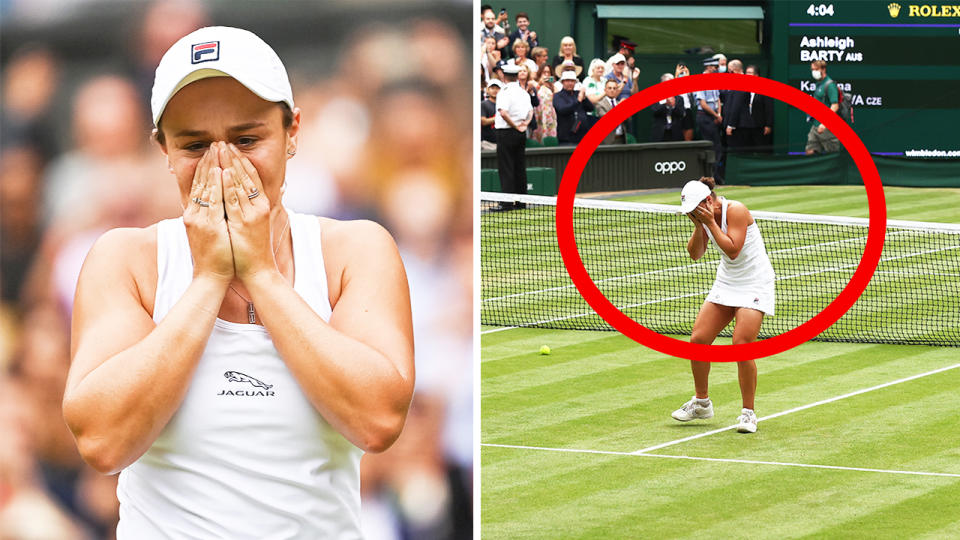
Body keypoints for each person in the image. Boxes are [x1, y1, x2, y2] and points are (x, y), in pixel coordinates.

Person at [62, 26, 415, 538]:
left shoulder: (355, 250)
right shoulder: (125, 259)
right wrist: (208, 279)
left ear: (292, 133)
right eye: (195, 145)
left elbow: (379, 420)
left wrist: (260, 273)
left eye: (247, 139)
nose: (223, 165)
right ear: (163, 149)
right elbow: (101, 442)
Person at [671, 177, 775, 434]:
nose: (693, 213)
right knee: (699, 339)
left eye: (696, 209)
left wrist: (708, 223)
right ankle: (702, 403)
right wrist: (700, 226)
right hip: (727, 282)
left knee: (741, 344)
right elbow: (695, 254)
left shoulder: (736, 210)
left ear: (708, 201)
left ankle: (748, 414)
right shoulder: (702, 217)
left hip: (754, 283)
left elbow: (732, 250)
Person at [495, 64, 533, 207]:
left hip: (506, 132)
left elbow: (503, 112)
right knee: (519, 166)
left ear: (504, 76)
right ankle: (521, 202)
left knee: (507, 167)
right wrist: (524, 125)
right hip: (520, 133)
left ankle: (507, 203)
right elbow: (530, 112)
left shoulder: (504, 92)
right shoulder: (523, 92)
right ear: (517, 76)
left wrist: (515, 125)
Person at [696, 57, 723, 181]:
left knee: (717, 148)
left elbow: (717, 99)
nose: (716, 69)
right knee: (711, 147)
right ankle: (709, 176)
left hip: (714, 117)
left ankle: (714, 175)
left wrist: (719, 114)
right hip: (705, 117)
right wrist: (716, 115)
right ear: (708, 67)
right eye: (715, 67)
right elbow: (703, 103)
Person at [805, 60, 840, 155]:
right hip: (815, 125)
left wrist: (824, 123)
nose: (813, 72)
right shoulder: (818, 84)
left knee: (833, 155)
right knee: (810, 151)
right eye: (812, 69)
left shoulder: (830, 85)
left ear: (823, 69)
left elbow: (835, 105)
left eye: (816, 69)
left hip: (827, 127)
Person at [553, 70, 594, 145]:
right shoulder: (558, 96)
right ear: (562, 82)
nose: (570, 83)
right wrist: (578, 101)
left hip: (583, 136)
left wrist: (584, 98)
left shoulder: (577, 93)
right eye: (567, 81)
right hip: (567, 138)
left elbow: (590, 108)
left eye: (572, 81)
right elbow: (562, 109)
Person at [745, 65, 774, 152]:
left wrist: (768, 125)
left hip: (759, 126)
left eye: (749, 73)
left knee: (760, 149)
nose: (747, 75)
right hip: (746, 126)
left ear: (756, 75)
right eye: (746, 73)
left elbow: (769, 108)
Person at [594, 79, 626, 144]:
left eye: (614, 88)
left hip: (621, 139)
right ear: (605, 90)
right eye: (609, 88)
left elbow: (628, 119)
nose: (612, 90)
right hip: (607, 140)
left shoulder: (619, 103)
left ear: (617, 90)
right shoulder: (600, 104)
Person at [531, 68, 557, 143]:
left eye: (548, 72)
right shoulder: (534, 83)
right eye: (544, 72)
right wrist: (540, 83)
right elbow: (533, 94)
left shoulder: (553, 85)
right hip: (539, 113)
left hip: (550, 114)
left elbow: (558, 95)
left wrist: (552, 85)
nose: (546, 75)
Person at [481, 79, 502, 150]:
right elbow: (483, 121)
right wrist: (501, 117)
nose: (495, 90)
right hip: (487, 143)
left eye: (497, 88)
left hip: (502, 142)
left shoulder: (504, 104)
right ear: (487, 90)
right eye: (492, 88)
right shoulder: (483, 104)